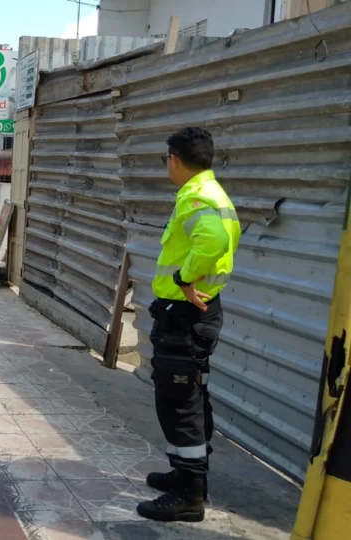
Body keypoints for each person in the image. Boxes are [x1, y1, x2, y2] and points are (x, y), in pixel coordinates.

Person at [136, 127, 241, 522]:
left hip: (185, 313)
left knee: (180, 403)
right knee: (187, 397)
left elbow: (211, 242)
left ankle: (189, 495)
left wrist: (184, 278)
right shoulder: (211, 192)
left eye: (166, 159)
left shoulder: (197, 195)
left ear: (175, 159)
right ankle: (184, 475)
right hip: (195, 312)